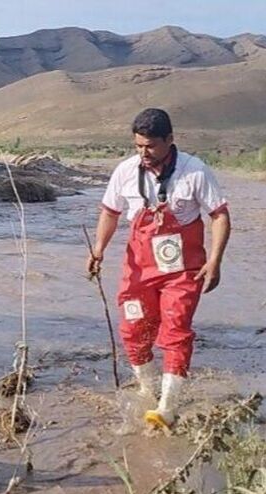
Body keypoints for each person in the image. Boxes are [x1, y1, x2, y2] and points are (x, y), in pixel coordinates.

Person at [86, 108, 232, 428]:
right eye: (138, 146)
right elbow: (110, 213)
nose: (144, 153)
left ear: (169, 140)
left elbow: (219, 216)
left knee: (175, 330)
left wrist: (215, 260)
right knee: (133, 329)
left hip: (183, 271)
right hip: (138, 271)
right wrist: (99, 250)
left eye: (150, 146)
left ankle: (167, 405)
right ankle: (147, 389)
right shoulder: (125, 171)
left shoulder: (195, 172)